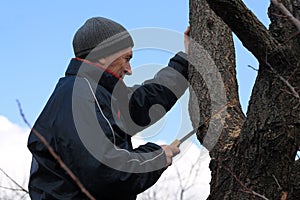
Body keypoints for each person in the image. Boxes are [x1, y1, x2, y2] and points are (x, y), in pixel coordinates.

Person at [27, 17, 190, 200]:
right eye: (126, 58)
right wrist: (157, 157)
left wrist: (186, 61)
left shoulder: (96, 93)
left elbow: (145, 101)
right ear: (103, 54)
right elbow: (105, 172)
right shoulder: (77, 94)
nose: (129, 70)